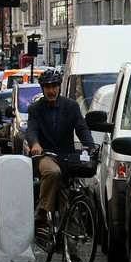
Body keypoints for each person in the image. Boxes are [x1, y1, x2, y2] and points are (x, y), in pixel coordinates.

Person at [26, 68, 97, 227]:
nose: (51, 90)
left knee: (68, 202)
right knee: (52, 172)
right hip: (45, 156)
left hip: (66, 158)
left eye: (54, 86)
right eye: (47, 87)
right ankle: (43, 210)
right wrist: (35, 144)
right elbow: (31, 130)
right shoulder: (35, 109)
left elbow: (81, 128)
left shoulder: (71, 106)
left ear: (59, 87)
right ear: (43, 89)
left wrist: (91, 146)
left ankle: (69, 247)